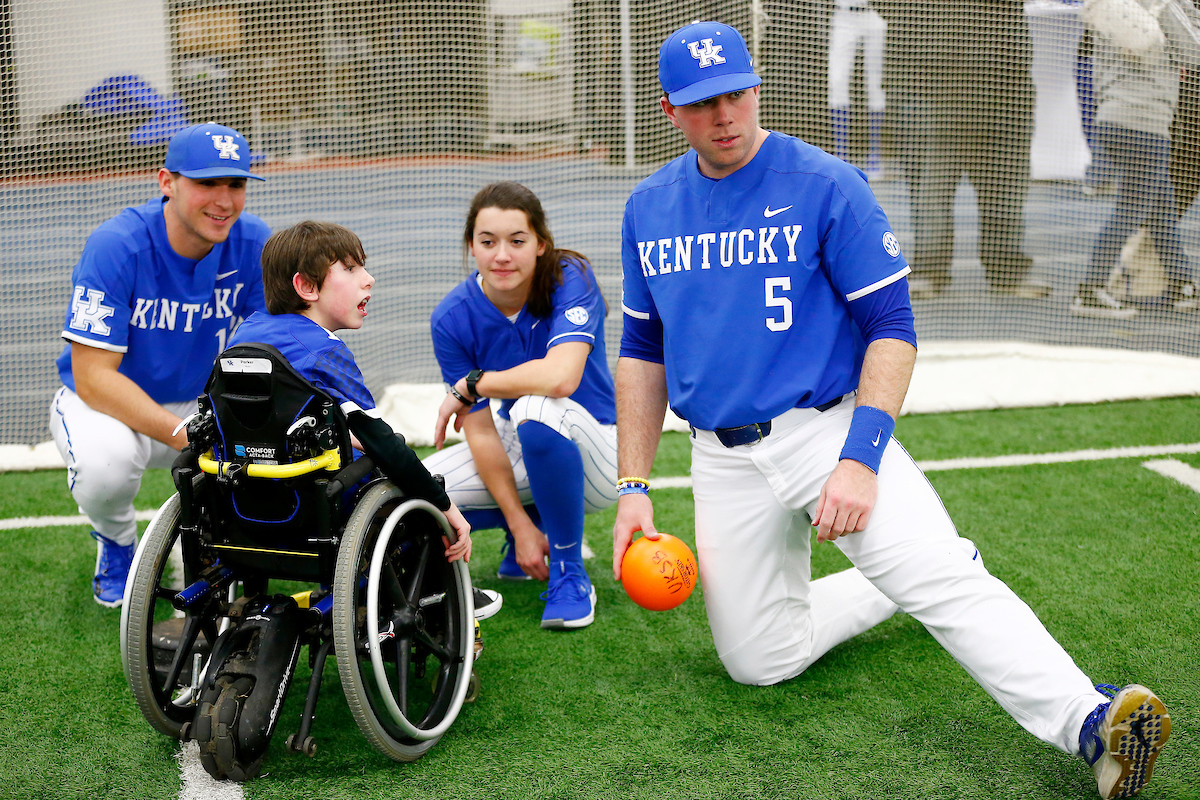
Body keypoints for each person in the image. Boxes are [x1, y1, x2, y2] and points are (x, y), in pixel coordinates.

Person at [611, 21, 1170, 800]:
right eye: (704, 103)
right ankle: (893, 578)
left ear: (757, 86)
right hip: (720, 456)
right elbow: (641, 353)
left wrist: (860, 457)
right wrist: (634, 487)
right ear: (671, 109)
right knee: (759, 661)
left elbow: (892, 329)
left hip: (825, 427)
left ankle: (1093, 721)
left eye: (737, 93)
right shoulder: (650, 206)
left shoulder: (825, 183)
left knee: (940, 578)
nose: (726, 115)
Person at [50, 122, 270, 608]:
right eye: (206, 183)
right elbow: (92, 376)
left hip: (198, 402)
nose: (224, 200)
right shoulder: (117, 245)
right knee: (104, 466)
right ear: (166, 182)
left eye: (235, 184)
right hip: (107, 404)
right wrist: (181, 433)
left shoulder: (253, 242)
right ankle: (118, 543)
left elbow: (274, 345)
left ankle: (220, 543)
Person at [227, 221, 494, 612]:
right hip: (313, 510)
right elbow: (380, 440)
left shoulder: (246, 334)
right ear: (307, 287)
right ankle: (436, 595)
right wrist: (446, 506)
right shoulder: (323, 349)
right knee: (406, 485)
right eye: (351, 269)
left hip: (242, 508)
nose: (369, 279)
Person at [423, 181, 618, 630]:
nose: (502, 256)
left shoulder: (570, 275)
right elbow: (482, 431)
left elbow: (560, 378)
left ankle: (570, 573)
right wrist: (519, 524)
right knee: (420, 490)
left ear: (540, 244)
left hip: (598, 451)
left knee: (535, 406)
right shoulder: (451, 318)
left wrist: (474, 383)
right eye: (488, 242)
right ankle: (527, 527)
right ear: (471, 245)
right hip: (524, 442)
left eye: (517, 241)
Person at [883, 0, 1049, 299]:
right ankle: (930, 272)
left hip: (1005, 84)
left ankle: (1007, 273)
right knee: (931, 191)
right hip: (930, 86)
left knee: (1006, 188)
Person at [1070, 0, 1200, 319]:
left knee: (1161, 209)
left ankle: (1182, 283)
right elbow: (1194, 54)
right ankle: (1090, 290)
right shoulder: (1161, 5)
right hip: (1143, 123)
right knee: (1131, 210)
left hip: (1116, 119)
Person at [828, 0, 887, 180]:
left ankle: (874, 157)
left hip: (870, 14)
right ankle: (841, 154)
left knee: (875, 83)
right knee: (836, 81)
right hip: (843, 16)